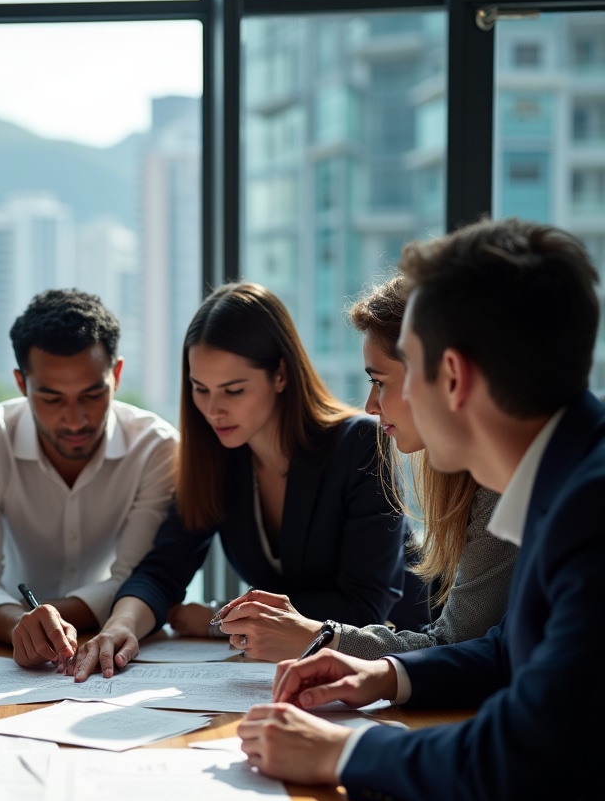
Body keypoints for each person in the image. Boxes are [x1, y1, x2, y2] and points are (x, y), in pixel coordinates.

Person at [238, 218, 605, 801]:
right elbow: (512, 650)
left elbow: (511, 769)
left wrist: (342, 754)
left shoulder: (592, 508)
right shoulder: (570, 476)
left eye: (399, 371)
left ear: (454, 379)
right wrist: (388, 675)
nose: (377, 404)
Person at [71, 281, 405, 681]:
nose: (213, 410)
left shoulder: (360, 444)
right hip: (281, 673)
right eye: (200, 389)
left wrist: (218, 618)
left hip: (392, 666)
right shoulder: (218, 456)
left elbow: (365, 610)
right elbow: (164, 567)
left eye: (233, 390)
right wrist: (119, 626)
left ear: (280, 374)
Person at [210, 275, 517, 661]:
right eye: (199, 389)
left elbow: (456, 644)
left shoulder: (505, 485)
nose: (371, 405)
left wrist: (322, 637)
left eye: (380, 382)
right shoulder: (471, 476)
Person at [0, 288, 177, 668]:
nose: (76, 419)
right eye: (51, 399)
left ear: (116, 374)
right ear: (21, 384)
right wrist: (19, 623)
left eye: (93, 394)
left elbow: (135, 579)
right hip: (7, 642)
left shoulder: (156, 448)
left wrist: (19, 618)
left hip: (108, 637)